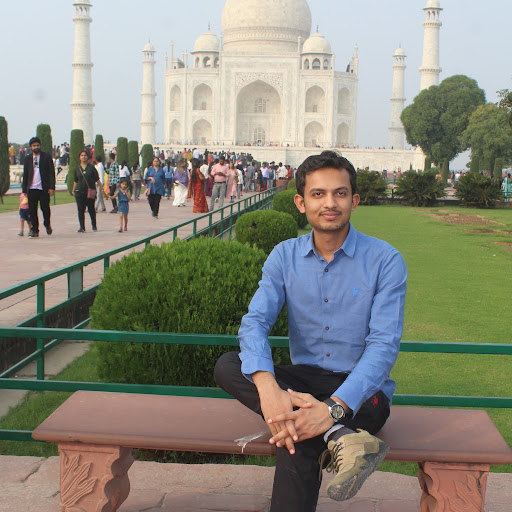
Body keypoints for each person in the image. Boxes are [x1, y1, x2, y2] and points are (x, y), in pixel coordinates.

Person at [214, 150, 407, 512]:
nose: (329, 203)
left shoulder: (385, 260)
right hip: (303, 381)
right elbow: (255, 322)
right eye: (318, 194)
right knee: (229, 364)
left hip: (361, 394)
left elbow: (383, 346)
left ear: (354, 201)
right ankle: (339, 436)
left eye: (339, 193)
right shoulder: (284, 256)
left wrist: (332, 409)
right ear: (301, 203)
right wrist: (268, 389)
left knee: (298, 435)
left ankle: (327, 424)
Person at [22, 137, 55, 238]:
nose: (36, 147)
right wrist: (24, 190)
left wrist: (52, 187)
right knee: (32, 210)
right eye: (34, 146)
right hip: (32, 188)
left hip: (43, 188)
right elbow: (25, 174)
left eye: (37, 145)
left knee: (45, 209)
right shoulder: (27, 159)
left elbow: (51, 173)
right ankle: (35, 230)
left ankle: (47, 224)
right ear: (31, 147)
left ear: (40, 146)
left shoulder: (46, 157)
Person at [71, 150, 102, 233]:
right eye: (82, 155)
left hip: (89, 191)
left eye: (85, 155)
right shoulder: (77, 168)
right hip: (79, 191)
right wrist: (73, 190)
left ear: (87, 157)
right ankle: (82, 227)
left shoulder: (91, 168)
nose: (83, 157)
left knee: (91, 209)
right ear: (79, 157)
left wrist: (101, 188)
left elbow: (97, 179)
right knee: (80, 210)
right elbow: (75, 180)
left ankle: (94, 225)